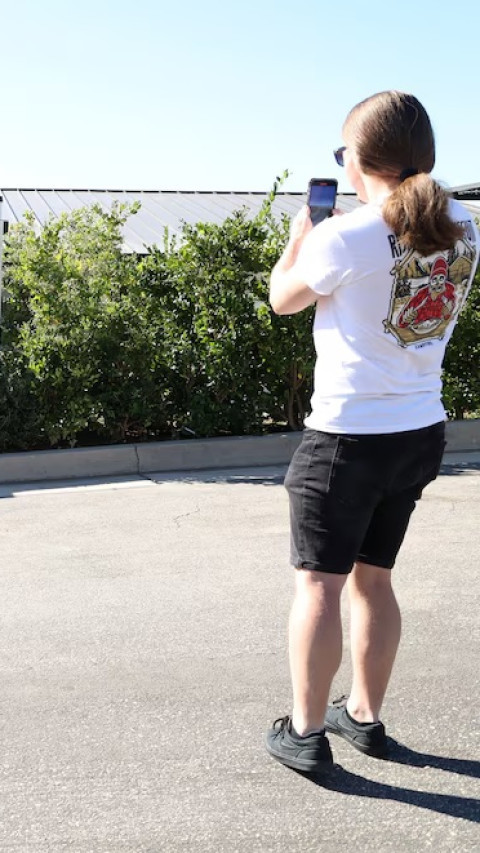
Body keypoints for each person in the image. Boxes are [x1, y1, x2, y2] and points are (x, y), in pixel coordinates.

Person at [265, 91, 477, 773]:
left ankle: (304, 731)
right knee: (374, 580)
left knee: (320, 586)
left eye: (343, 154)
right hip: (419, 430)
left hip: (348, 437)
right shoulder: (466, 225)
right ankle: (363, 714)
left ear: (358, 160)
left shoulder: (344, 236)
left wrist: (302, 232)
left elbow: (283, 298)